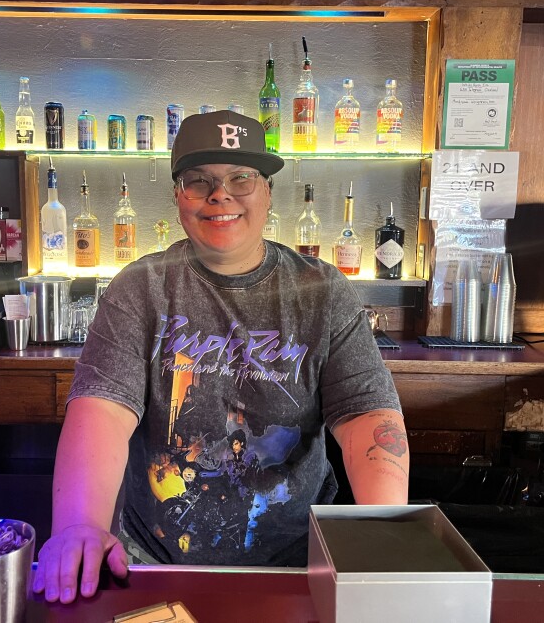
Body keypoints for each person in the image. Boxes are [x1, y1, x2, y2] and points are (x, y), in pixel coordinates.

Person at [34, 110, 409, 603]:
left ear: (267, 191)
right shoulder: (139, 289)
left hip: (301, 568)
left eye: (240, 178)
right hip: (154, 567)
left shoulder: (323, 291)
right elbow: (102, 410)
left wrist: (383, 529)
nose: (220, 195)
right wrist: (80, 526)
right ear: (177, 195)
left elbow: (366, 414)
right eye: (199, 181)